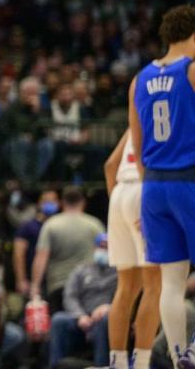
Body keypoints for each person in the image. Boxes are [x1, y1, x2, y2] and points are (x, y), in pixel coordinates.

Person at [130, 6, 195, 369]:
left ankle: (178, 359)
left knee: (171, 280)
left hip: (153, 186)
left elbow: (137, 146)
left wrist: (148, 200)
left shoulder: (138, 80)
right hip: (192, 182)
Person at [105, 130, 160, 369]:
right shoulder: (168, 112)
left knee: (126, 287)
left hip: (118, 194)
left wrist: (120, 209)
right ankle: (141, 363)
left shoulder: (133, 120)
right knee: (155, 285)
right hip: (144, 189)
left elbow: (110, 165)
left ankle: (117, 361)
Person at [30, 186, 104, 313]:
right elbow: (106, 253)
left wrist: (35, 286)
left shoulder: (51, 225)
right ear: (83, 202)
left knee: (60, 321)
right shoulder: (95, 225)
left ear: (62, 203)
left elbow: (41, 257)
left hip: (59, 285)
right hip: (88, 283)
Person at [48, 234, 117, 368]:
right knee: (58, 319)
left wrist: (110, 307)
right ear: (95, 248)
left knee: (105, 320)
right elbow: (70, 295)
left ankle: (101, 366)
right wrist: (80, 315)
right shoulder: (81, 270)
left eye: (107, 247)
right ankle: (55, 366)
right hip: (81, 318)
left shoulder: (120, 273)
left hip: (105, 318)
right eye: (101, 247)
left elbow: (124, 296)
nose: (104, 250)